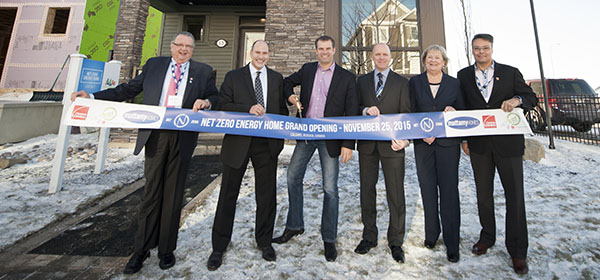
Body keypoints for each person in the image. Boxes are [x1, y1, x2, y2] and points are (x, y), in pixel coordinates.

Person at [71, 31, 218, 274]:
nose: (183, 50)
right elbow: (128, 90)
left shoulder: (202, 71)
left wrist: (206, 102)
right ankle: (141, 249)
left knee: (173, 194)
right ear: (171, 47)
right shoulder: (154, 65)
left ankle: (166, 250)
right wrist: (94, 97)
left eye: (188, 47)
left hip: (182, 137)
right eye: (179, 45)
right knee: (151, 192)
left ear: (193, 50)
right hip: (155, 136)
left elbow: (215, 96)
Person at [272, 35, 359, 262]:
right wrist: (291, 96)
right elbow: (286, 82)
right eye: (320, 49)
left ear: (334, 50)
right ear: (316, 51)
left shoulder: (347, 77)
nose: (324, 52)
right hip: (307, 135)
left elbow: (351, 110)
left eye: (328, 49)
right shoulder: (308, 70)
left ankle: (329, 238)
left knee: (330, 188)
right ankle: (295, 225)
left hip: (331, 138)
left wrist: (348, 144)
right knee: (292, 177)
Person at [457, 33, 537, 274]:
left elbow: (531, 98)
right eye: (477, 49)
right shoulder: (463, 76)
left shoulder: (510, 72)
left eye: (485, 48)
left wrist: (517, 99)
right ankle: (487, 237)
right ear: (472, 51)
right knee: (483, 194)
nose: (481, 52)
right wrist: (463, 138)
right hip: (479, 145)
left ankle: (517, 251)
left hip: (508, 146)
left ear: (492, 49)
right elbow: (461, 108)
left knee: (514, 196)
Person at [206, 40, 288, 270]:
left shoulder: (276, 79)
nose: (261, 56)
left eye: (265, 53)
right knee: (227, 196)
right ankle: (219, 247)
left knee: (266, 196)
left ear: (269, 55)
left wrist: (278, 142)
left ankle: (264, 242)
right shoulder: (234, 76)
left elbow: (281, 110)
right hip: (238, 143)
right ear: (250, 53)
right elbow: (222, 104)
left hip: (266, 145)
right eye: (258, 52)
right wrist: (248, 108)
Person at [354, 43, 411, 263]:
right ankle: (369, 236)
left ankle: (395, 241)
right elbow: (355, 106)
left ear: (390, 57)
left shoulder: (401, 83)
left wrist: (405, 140)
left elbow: (406, 114)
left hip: (393, 145)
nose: (381, 57)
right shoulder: (361, 81)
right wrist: (365, 110)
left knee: (395, 193)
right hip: (368, 145)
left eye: (384, 54)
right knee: (367, 191)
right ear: (372, 57)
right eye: (377, 54)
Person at [409, 44, 465, 263]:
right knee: (428, 190)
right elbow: (410, 110)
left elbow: (463, 111)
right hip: (423, 145)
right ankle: (432, 234)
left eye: (437, 58)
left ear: (444, 62)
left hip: (448, 146)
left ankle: (452, 243)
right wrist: (421, 133)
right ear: (424, 61)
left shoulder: (454, 84)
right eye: (429, 58)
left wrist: (454, 111)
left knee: (449, 192)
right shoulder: (415, 82)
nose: (433, 61)